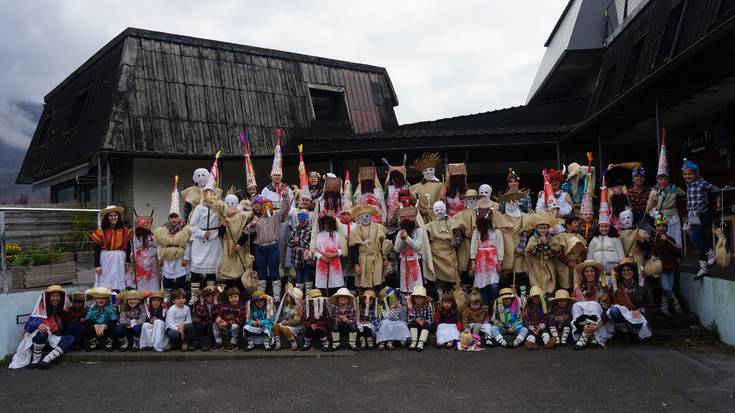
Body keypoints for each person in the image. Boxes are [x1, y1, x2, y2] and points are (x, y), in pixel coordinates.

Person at [237, 192, 291, 301]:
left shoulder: (275, 217)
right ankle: (261, 295)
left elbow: (286, 209)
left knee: (274, 272)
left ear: (271, 207)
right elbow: (247, 231)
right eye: (264, 206)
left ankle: (276, 297)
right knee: (261, 273)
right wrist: (253, 224)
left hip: (272, 247)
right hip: (259, 249)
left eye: (268, 205)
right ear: (261, 207)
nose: (266, 207)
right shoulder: (258, 219)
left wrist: (285, 196)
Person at [9, 285, 75, 369]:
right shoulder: (40, 309)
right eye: (52, 296)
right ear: (47, 297)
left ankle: (46, 360)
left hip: (51, 340)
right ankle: (35, 361)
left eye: (58, 296)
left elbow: (67, 320)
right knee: (43, 332)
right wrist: (38, 324)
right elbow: (27, 327)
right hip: (38, 342)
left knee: (70, 338)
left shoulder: (59, 310)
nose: (55, 298)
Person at [187, 176, 225, 305]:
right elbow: (192, 225)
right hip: (200, 241)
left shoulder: (218, 207)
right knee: (196, 269)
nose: (209, 195)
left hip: (213, 240)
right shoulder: (199, 208)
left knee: (211, 270)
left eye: (211, 193)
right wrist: (202, 233)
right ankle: (194, 296)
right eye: (207, 193)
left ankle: (210, 295)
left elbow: (226, 216)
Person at [682, 158, 720, 280]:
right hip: (693, 217)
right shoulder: (688, 186)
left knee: (695, 237)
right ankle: (703, 267)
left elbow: (716, 189)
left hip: (704, 215)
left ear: (696, 174)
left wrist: (718, 202)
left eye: (690, 173)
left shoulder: (701, 183)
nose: (688, 176)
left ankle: (711, 254)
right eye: (685, 174)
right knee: (698, 238)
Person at [646, 137, 684, 245]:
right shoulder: (654, 190)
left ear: (668, 179)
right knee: (662, 240)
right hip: (661, 218)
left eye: (665, 178)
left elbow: (684, 196)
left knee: (675, 239)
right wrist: (656, 214)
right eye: (660, 179)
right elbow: (649, 207)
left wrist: (682, 193)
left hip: (673, 216)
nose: (663, 181)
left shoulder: (674, 188)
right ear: (657, 179)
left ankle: (676, 255)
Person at [644, 215, 684, 316]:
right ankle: (676, 305)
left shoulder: (670, 239)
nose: (661, 228)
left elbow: (678, 255)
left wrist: (677, 249)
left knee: (668, 288)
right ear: (655, 226)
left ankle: (664, 307)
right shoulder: (653, 238)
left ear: (666, 227)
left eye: (663, 226)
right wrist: (662, 241)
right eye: (658, 226)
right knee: (667, 288)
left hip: (671, 266)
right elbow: (655, 252)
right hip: (660, 267)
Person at [496, 190, 532, 300]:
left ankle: (523, 296)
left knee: (520, 273)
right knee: (510, 274)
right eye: (509, 201)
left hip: (519, 249)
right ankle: (512, 296)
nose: (511, 203)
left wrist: (525, 231)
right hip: (507, 248)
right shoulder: (502, 217)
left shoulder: (523, 216)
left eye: (514, 201)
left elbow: (528, 229)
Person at [609, 258, 655, 342]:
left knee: (637, 321)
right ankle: (625, 331)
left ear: (634, 271)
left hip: (636, 314)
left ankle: (635, 332)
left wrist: (640, 310)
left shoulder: (642, 284)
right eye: (624, 270)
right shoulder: (616, 285)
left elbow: (650, 304)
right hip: (623, 314)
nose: (626, 272)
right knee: (614, 311)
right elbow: (612, 301)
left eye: (629, 269)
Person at [571, 260, 613, 350]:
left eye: (591, 271)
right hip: (582, 321)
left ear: (595, 273)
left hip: (599, 321)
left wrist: (597, 326)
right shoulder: (580, 287)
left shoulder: (603, 286)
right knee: (576, 305)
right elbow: (574, 304)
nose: (589, 274)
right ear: (583, 274)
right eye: (586, 271)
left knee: (593, 304)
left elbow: (606, 309)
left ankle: (586, 337)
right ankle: (590, 336)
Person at [350, 204, 392, 293]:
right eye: (362, 216)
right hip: (363, 260)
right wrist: (355, 264)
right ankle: (365, 302)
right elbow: (353, 248)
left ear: (371, 216)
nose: (365, 218)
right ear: (359, 218)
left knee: (377, 284)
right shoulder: (355, 230)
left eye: (367, 216)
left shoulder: (379, 227)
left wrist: (386, 258)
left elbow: (385, 243)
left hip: (377, 258)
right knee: (364, 285)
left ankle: (377, 301)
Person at [470, 200, 505, 306]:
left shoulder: (496, 232)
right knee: (482, 288)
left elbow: (500, 247)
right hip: (481, 264)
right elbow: (473, 247)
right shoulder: (477, 233)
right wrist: (473, 262)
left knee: (494, 286)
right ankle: (486, 310)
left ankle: (496, 309)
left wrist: (500, 262)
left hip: (493, 263)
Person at [154, 205, 191, 303]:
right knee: (167, 282)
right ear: (169, 219)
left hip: (179, 259)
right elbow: (160, 246)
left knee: (181, 281)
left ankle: (181, 300)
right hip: (167, 259)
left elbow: (187, 246)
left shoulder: (184, 230)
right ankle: (167, 301)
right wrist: (160, 258)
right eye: (171, 217)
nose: (173, 219)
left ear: (179, 218)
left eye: (175, 217)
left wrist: (186, 258)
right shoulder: (163, 230)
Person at [424, 201, 463, 296]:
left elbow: (458, 236)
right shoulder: (429, 225)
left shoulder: (453, 222)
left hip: (449, 253)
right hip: (436, 254)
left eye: (441, 209)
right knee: (438, 278)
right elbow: (425, 240)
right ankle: (440, 297)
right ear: (433, 211)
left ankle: (454, 297)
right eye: (437, 210)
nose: (439, 211)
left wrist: (456, 242)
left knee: (452, 276)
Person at [90, 205, 132, 292]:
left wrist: (127, 262)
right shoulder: (101, 231)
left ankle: (117, 302)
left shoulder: (125, 230)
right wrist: (97, 265)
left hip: (120, 259)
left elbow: (128, 247)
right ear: (107, 217)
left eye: (115, 215)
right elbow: (97, 249)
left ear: (118, 216)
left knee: (119, 281)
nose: (113, 217)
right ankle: (106, 299)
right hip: (106, 259)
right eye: (111, 215)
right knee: (106, 283)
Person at [219, 193, 254, 289]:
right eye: (228, 203)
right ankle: (229, 290)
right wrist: (223, 226)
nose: (230, 205)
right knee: (228, 267)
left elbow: (246, 231)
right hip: (227, 245)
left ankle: (240, 289)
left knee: (239, 266)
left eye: (232, 202)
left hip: (239, 244)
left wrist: (240, 242)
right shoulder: (222, 216)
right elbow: (220, 234)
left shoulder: (243, 215)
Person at [525, 213, 562, 295]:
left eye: (545, 228)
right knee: (536, 280)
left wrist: (547, 243)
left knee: (549, 280)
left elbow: (557, 248)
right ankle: (537, 293)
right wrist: (537, 244)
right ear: (536, 228)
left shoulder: (551, 238)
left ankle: (549, 293)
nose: (542, 230)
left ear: (548, 228)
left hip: (548, 264)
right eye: (540, 228)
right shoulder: (533, 238)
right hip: (536, 265)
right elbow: (528, 250)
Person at [452, 189, 481, 292]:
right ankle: (465, 293)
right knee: (464, 269)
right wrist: (463, 233)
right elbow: (453, 229)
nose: (472, 201)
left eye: (474, 198)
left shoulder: (482, 213)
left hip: (479, 246)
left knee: (478, 268)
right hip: (464, 246)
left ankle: (477, 292)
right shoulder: (459, 215)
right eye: (469, 199)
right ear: (466, 200)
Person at [393, 206, 427, 294]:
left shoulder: (419, 231)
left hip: (415, 261)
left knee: (417, 286)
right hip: (404, 262)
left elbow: (417, 247)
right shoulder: (399, 232)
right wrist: (401, 238)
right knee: (405, 286)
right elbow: (397, 249)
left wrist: (407, 238)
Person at [312, 211, 347, 294]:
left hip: (335, 265)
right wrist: (321, 256)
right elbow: (314, 250)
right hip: (322, 264)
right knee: (323, 288)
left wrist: (335, 253)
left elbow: (343, 249)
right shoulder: (318, 235)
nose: (327, 225)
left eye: (329, 223)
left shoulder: (337, 235)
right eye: (325, 223)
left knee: (335, 287)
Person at [410, 153, 445, 222]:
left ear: (434, 170)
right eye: (426, 170)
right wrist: (422, 210)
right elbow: (413, 202)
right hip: (423, 218)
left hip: (437, 215)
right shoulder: (415, 187)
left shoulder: (441, 185)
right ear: (423, 172)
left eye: (431, 169)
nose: (428, 172)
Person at [555, 216, 588, 290]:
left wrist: (581, 257)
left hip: (576, 264)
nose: (577, 224)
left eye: (578, 223)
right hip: (565, 265)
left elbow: (583, 250)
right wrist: (567, 261)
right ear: (568, 225)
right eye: (575, 223)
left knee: (576, 283)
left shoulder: (579, 236)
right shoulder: (561, 236)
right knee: (565, 284)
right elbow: (557, 251)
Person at [84, 287, 118, 352]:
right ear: (95, 299)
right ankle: (94, 343)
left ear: (107, 299)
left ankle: (109, 342)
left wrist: (105, 325)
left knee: (114, 327)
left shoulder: (111, 309)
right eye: (98, 298)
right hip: (96, 329)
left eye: (103, 298)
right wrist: (94, 325)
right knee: (85, 327)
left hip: (106, 329)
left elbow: (114, 320)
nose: (100, 300)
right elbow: (88, 320)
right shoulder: (92, 308)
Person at [273, 285, 304, 351]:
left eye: (288, 296)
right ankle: (278, 343)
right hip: (286, 323)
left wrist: (287, 322)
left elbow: (297, 321)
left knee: (285, 329)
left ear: (293, 298)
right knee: (275, 326)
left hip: (294, 326)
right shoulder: (286, 305)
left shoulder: (297, 308)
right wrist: (284, 322)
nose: (286, 297)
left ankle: (294, 343)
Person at [215, 287, 246, 351]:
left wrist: (226, 324)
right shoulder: (225, 306)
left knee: (235, 325)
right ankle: (219, 342)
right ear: (228, 298)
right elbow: (219, 312)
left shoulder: (241, 307)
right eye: (231, 297)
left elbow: (239, 320)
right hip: (225, 326)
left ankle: (233, 343)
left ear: (239, 297)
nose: (233, 299)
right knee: (214, 324)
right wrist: (219, 317)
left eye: (235, 297)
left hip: (237, 329)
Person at [289, 210, 313, 292]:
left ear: (307, 220)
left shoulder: (310, 230)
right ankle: (299, 295)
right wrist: (293, 242)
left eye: (304, 219)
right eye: (300, 219)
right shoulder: (295, 229)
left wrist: (298, 242)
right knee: (298, 276)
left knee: (307, 275)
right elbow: (289, 242)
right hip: (297, 258)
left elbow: (308, 243)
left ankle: (308, 294)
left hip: (306, 258)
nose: (302, 221)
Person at [406, 286, 433, 351]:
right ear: (414, 298)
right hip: (415, 327)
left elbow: (430, 320)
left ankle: (421, 343)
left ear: (424, 299)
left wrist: (423, 321)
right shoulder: (411, 307)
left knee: (427, 324)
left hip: (424, 327)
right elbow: (408, 319)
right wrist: (416, 320)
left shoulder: (427, 307)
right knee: (413, 322)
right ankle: (414, 342)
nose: (419, 299)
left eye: (421, 297)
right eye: (417, 297)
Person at [193, 286, 220, 351]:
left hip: (213, 325)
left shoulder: (218, 303)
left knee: (210, 323)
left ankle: (208, 343)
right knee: (199, 325)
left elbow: (216, 315)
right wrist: (202, 303)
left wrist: (215, 302)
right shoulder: (200, 305)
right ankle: (195, 342)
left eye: (212, 296)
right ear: (204, 297)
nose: (211, 298)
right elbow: (202, 316)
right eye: (208, 296)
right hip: (204, 323)